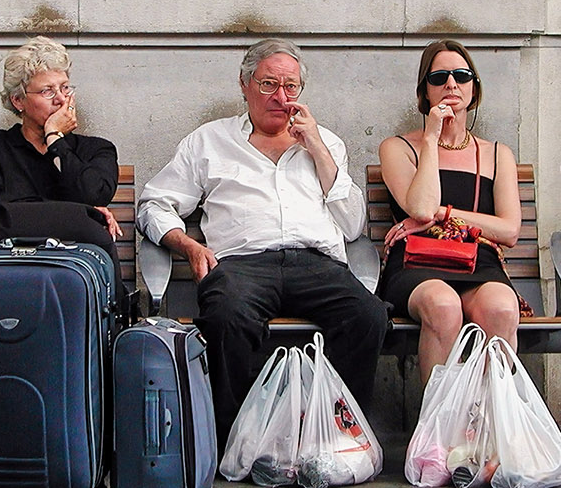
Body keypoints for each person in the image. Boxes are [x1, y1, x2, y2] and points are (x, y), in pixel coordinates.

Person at [137, 38, 391, 440]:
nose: (281, 97)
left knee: (368, 317)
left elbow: (353, 225)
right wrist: (187, 244)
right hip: (242, 266)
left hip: (316, 264)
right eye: (269, 84)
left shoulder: (326, 143)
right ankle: (231, 440)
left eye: (291, 87)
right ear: (244, 84)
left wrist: (318, 149)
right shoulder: (208, 142)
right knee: (226, 317)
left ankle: (335, 433)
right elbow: (153, 205)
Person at [377, 40, 524, 384]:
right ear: (424, 91)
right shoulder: (398, 147)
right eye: (439, 77)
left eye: (461, 75)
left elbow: (509, 231)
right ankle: (437, 427)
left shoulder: (497, 154)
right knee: (443, 306)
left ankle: (488, 421)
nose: (451, 84)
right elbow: (419, 206)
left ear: (474, 88)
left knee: (501, 309)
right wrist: (430, 139)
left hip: (477, 259)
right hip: (416, 263)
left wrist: (443, 215)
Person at [0, 37, 122, 257]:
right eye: (48, 91)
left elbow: (94, 196)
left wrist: (55, 138)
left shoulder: (96, 150)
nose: (61, 100)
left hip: (71, 269)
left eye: (65, 88)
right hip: (5, 267)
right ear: (18, 100)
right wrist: (79, 213)